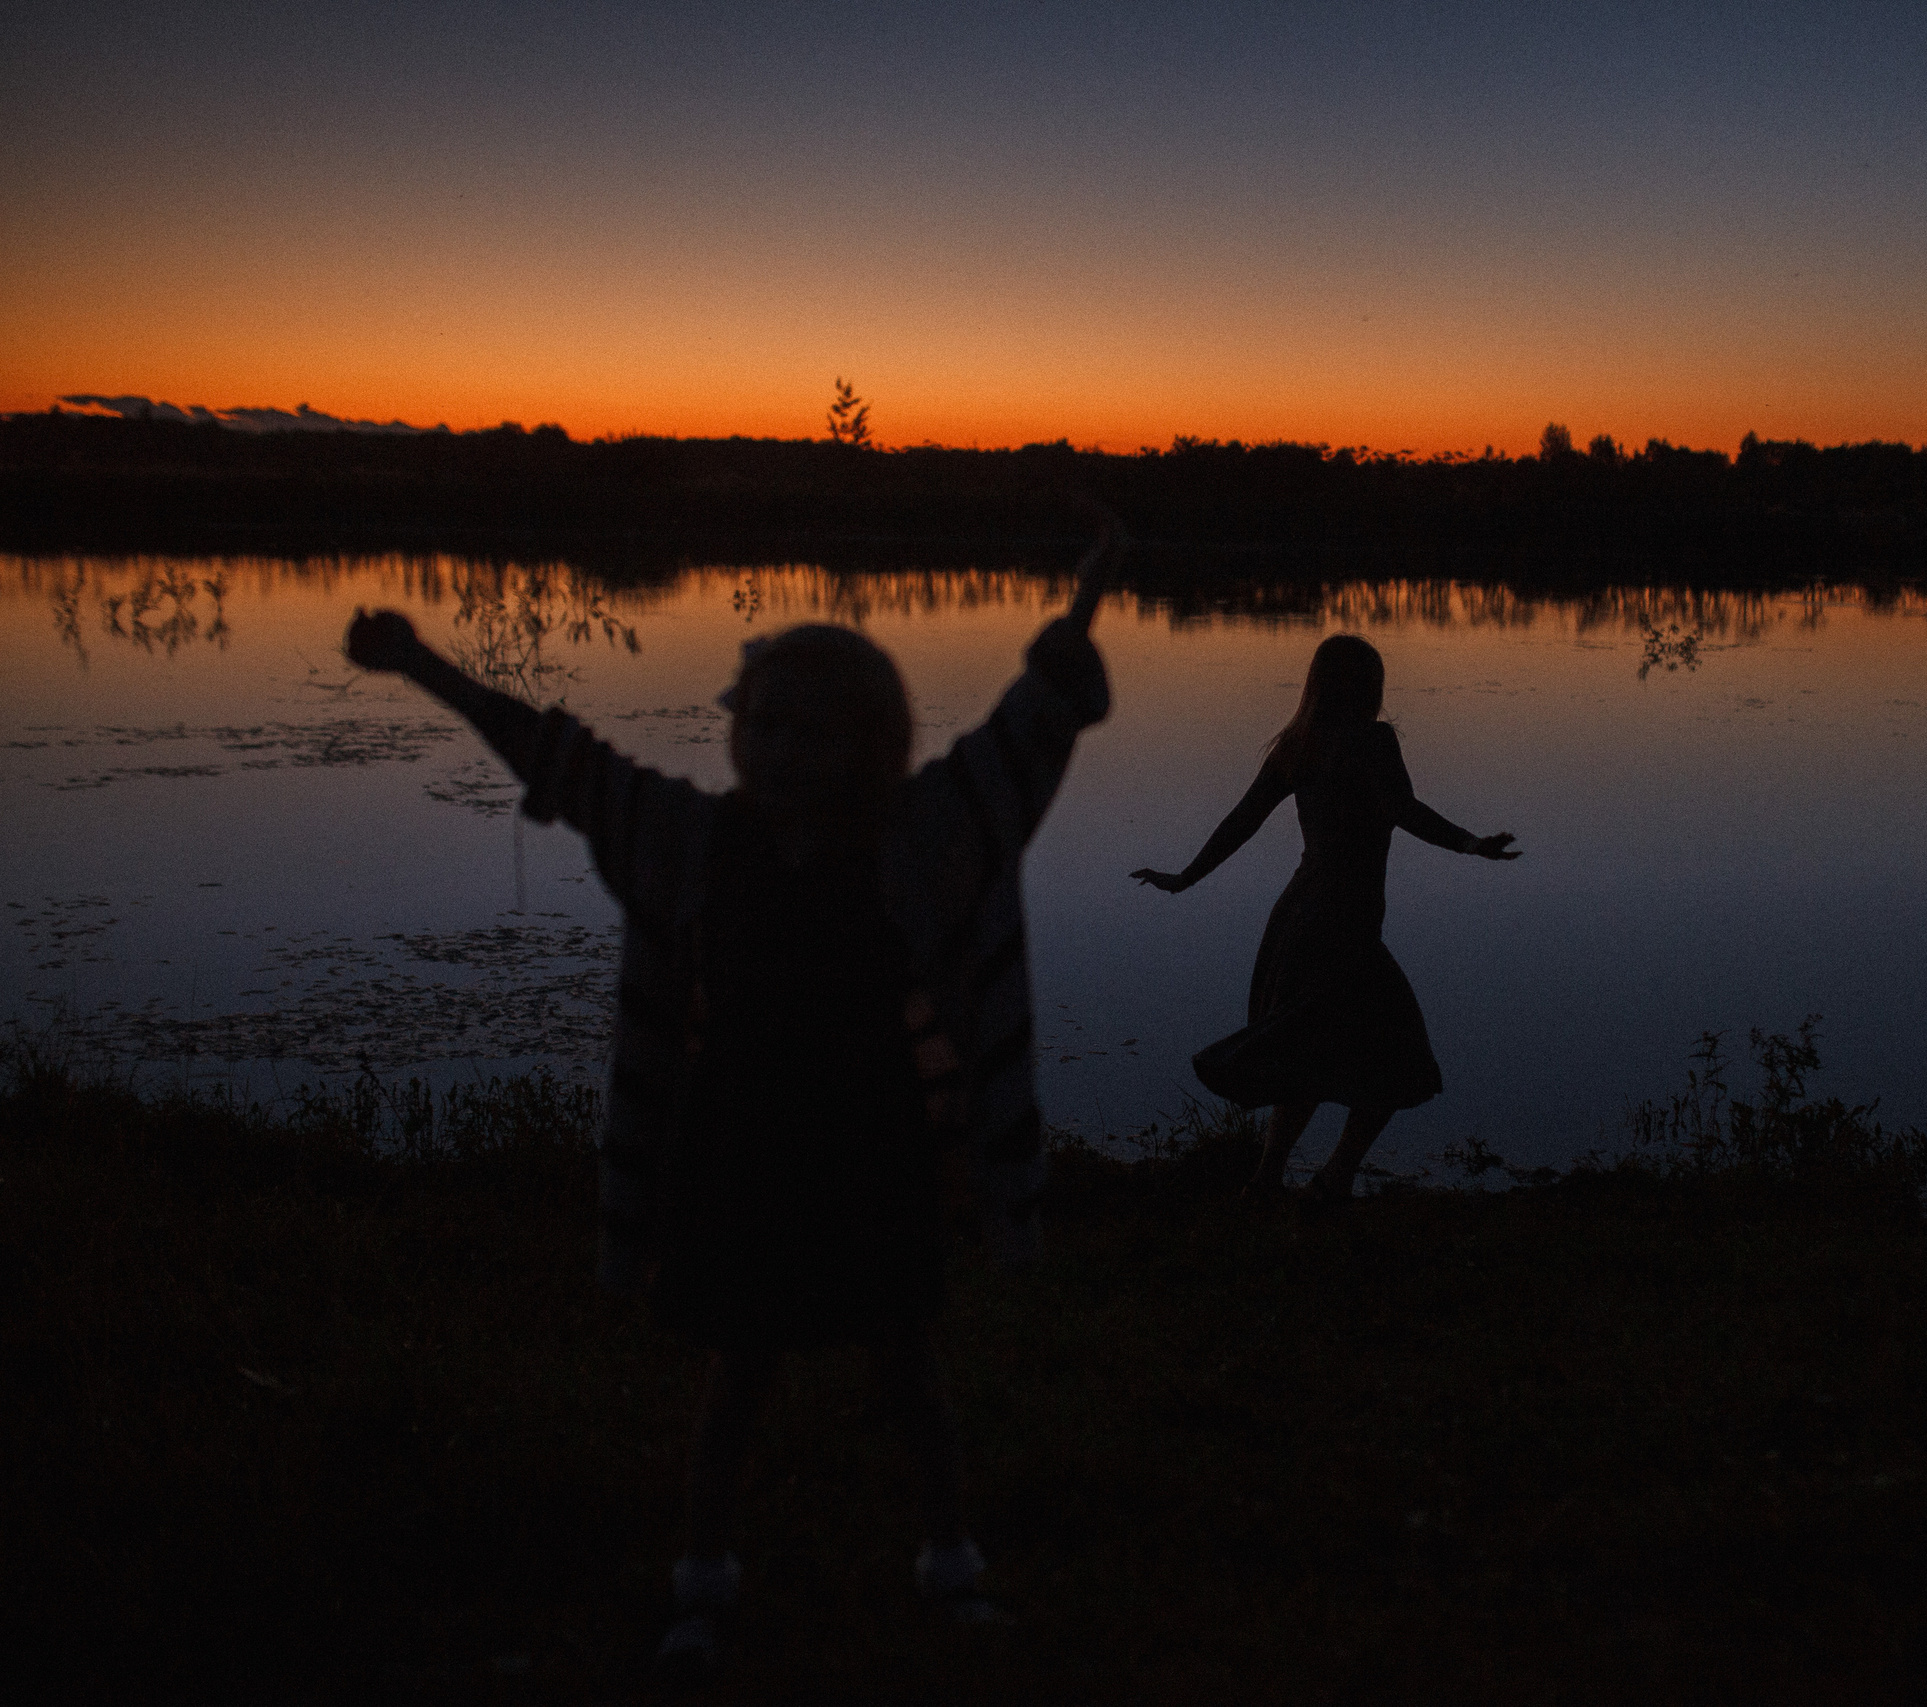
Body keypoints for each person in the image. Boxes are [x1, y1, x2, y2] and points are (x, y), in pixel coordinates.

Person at [342, 530, 1115, 1674]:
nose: (786, 752)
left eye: (817, 735)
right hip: (739, 1159)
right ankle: (700, 1589)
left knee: (910, 1370)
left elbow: (1018, 743)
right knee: (736, 1380)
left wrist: (1071, 634)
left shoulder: (913, 843)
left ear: (874, 749)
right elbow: (561, 761)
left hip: (871, 1159)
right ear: (736, 728)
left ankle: (953, 1569)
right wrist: (423, 667)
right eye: (766, 726)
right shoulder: (693, 842)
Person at [1132, 633, 1517, 1200]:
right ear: (1368, 687)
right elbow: (1404, 810)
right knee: (1397, 1051)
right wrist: (1470, 844)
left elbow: (1242, 819)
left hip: (1299, 917)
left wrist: (1187, 877)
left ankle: (1276, 1179)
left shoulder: (1299, 743)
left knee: (1307, 1048)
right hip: (1344, 923)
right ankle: (1329, 1177)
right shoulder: (1373, 742)